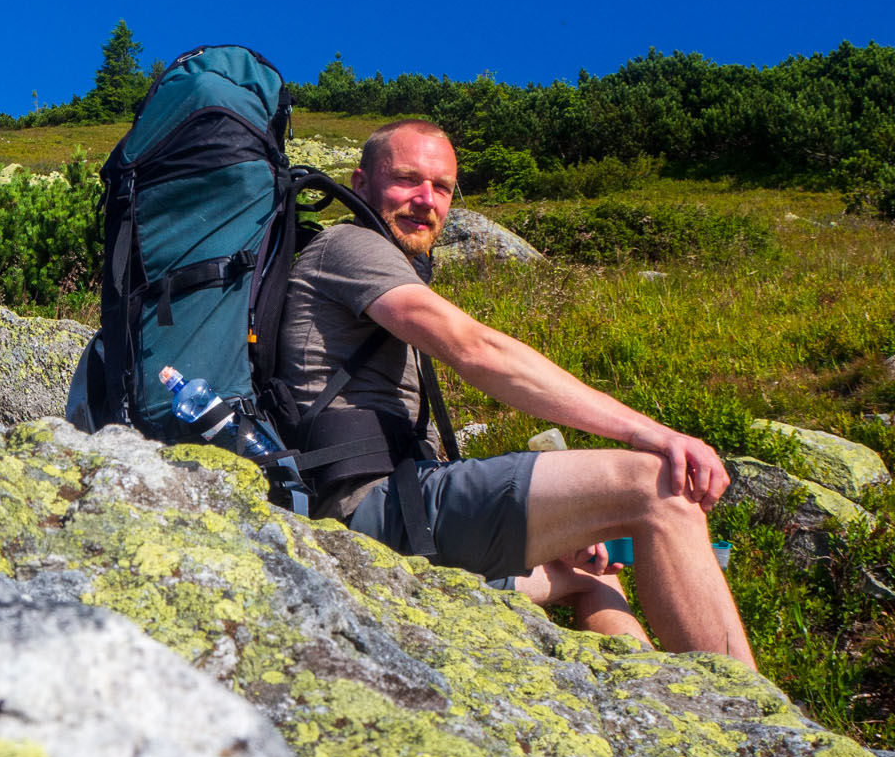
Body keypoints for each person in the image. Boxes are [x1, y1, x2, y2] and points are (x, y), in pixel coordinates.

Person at [278, 118, 753, 666]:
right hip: (368, 516)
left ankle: (656, 710)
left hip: (403, 506)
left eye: (442, 187)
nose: (425, 200)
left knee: (589, 574)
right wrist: (652, 434)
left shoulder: (388, 271)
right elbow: (476, 349)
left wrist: (567, 525)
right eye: (407, 179)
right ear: (360, 185)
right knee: (657, 485)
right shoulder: (349, 245)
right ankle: (759, 728)